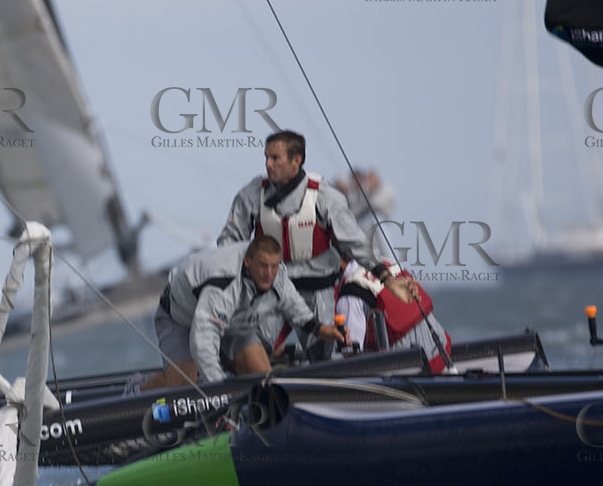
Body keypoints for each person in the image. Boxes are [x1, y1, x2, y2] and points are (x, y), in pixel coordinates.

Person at [218, 130, 416, 360]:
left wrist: (388, 280)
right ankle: (266, 373)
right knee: (248, 350)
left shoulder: (323, 195)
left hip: (317, 292)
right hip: (274, 291)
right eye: (266, 158)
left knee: (322, 356)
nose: (268, 164)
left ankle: (313, 372)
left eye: (275, 158)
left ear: (296, 160)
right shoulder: (253, 194)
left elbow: (356, 243)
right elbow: (229, 243)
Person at [146, 237, 346, 389]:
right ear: (248, 262)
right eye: (263, 266)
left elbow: (293, 305)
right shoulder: (224, 283)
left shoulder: (276, 274)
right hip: (181, 318)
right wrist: (222, 393)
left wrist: (319, 329)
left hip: (233, 323)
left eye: (274, 266)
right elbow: (202, 344)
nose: (269, 274)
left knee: (264, 380)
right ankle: (137, 389)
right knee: (186, 390)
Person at [335, 259, 453, 372]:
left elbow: (352, 359)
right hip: (443, 350)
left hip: (413, 367)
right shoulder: (386, 263)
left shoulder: (349, 295)